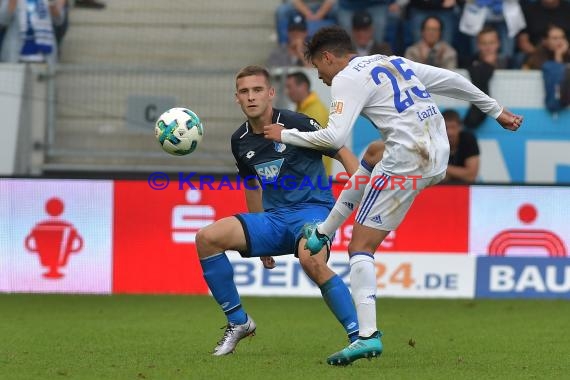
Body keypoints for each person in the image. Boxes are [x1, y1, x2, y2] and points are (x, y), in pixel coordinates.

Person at [263, 26, 522, 365]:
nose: (320, 78)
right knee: (372, 153)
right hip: (439, 151)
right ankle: (324, 232)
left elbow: (333, 137)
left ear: (328, 57)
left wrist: (287, 135)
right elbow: (451, 80)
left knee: (360, 247)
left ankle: (367, 336)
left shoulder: (345, 79)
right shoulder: (391, 61)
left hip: (408, 160)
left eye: (318, 69)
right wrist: (495, 110)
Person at [196, 65, 361, 357]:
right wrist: (260, 245)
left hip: (313, 214)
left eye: (257, 90)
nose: (251, 97)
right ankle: (239, 322)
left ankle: (359, 336)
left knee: (311, 260)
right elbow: (252, 186)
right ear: (237, 98)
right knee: (207, 238)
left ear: (271, 93)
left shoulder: (298, 122)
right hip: (273, 220)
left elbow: (342, 152)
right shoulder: (240, 140)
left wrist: (359, 189)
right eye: (244, 92)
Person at [0, 0, 66, 64]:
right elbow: (3, 21)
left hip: (44, 57)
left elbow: (58, 21)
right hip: (16, 56)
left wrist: (52, 3)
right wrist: (12, 2)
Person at [442, 109, 480, 183]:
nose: (449, 132)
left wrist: (442, 169)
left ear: (460, 127)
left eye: (453, 127)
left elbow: (471, 176)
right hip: (438, 190)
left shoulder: (468, 139)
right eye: (445, 128)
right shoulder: (434, 141)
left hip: (465, 190)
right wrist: (461, 173)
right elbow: (429, 176)